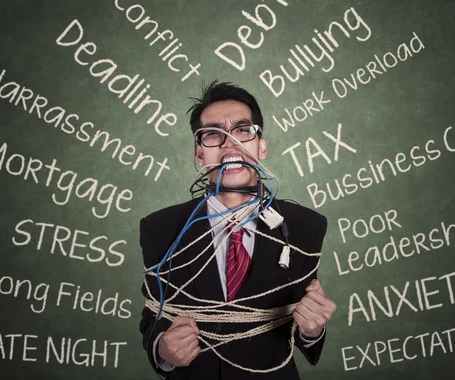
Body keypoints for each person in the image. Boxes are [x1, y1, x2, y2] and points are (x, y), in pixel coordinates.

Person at [139, 81, 337, 379]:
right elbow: (154, 314)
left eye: (243, 130)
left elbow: (304, 331)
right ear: (199, 153)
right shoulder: (160, 229)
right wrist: (163, 350)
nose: (229, 144)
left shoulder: (304, 227)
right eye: (213, 134)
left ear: (263, 146)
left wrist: (313, 329)